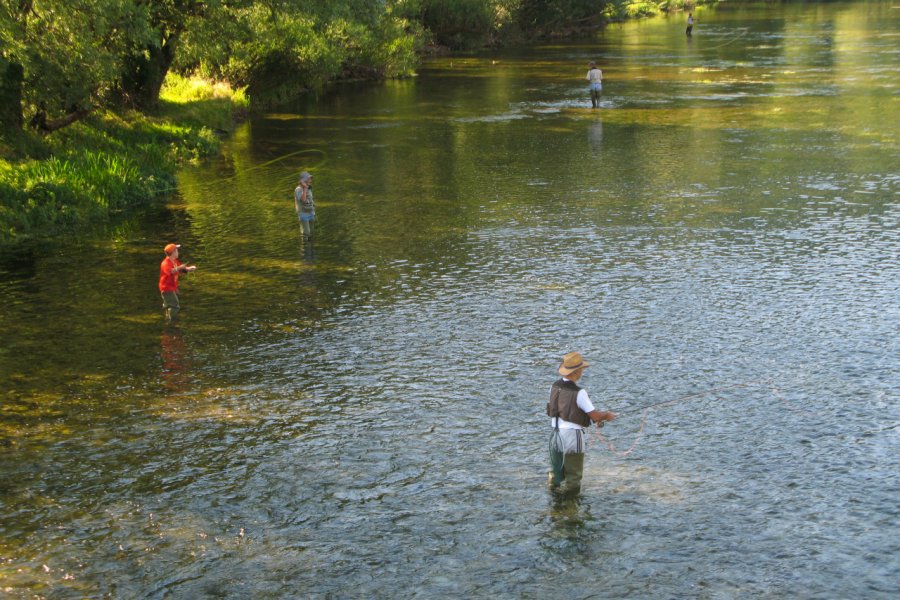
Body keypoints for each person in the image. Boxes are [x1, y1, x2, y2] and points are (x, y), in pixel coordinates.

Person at [547, 352, 616, 494]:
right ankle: (571, 506)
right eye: (581, 370)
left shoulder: (554, 387)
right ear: (576, 372)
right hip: (572, 436)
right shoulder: (579, 392)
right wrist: (607, 415)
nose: (582, 372)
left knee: (557, 472)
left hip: (555, 434)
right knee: (574, 475)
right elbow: (595, 416)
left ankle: (555, 501)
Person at [158, 243, 197, 324]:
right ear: (173, 252)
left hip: (171, 287)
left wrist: (189, 269)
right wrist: (180, 267)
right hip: (166, 288)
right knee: (175, 306)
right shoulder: (165, 263)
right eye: (177, 250)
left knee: (169, 305)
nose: (178, 252)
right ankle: (172, 322)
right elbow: (171, 271)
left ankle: (168, 321)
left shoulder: (174, 261)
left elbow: (181, 269)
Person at [294, 171, 316, 241]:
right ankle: (305, 249)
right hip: (303, 214)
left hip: (311, 213)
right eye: (308, 178)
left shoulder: (309, 187)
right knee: (306, 233)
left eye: (310, 178)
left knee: (311, 232)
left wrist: (313, 205)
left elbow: (310, 199)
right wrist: (305, 188)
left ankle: (311, 247)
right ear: (303, 180)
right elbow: (303, 200)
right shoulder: (298, 189)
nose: (310, 180)